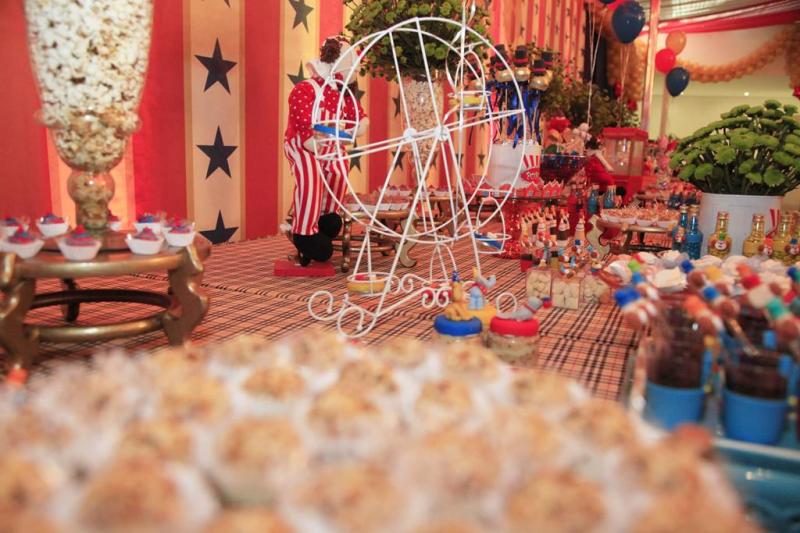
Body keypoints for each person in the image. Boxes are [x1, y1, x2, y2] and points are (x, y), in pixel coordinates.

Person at [284, 36, 368, 266]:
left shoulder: (343, 94)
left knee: (340, 170)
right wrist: (310, 139)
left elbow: (357, 117)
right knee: (310, 179)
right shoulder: (307, 88)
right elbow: (301, 118)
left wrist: (359, 125)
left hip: (330, 144)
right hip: (304, 144)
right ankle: (304, 233)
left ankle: (326, 217)